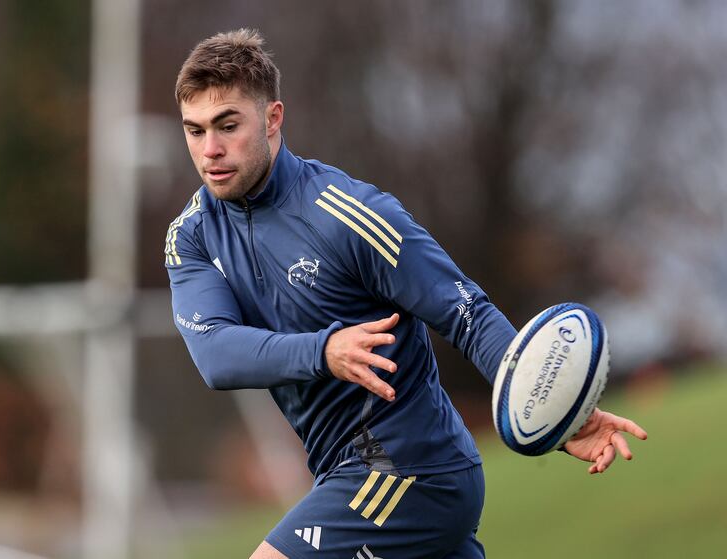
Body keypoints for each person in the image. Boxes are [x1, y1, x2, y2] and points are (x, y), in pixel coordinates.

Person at [165, 29, 647, 559]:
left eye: (227, 126)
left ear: (273, 118)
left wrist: (553, 411)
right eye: (195, 131)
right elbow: (216, 355)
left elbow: (466, 312)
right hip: (348, 473)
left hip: (411, 470)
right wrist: (324, 351)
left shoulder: (349, 215)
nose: (210, 150)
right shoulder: (191, 235)